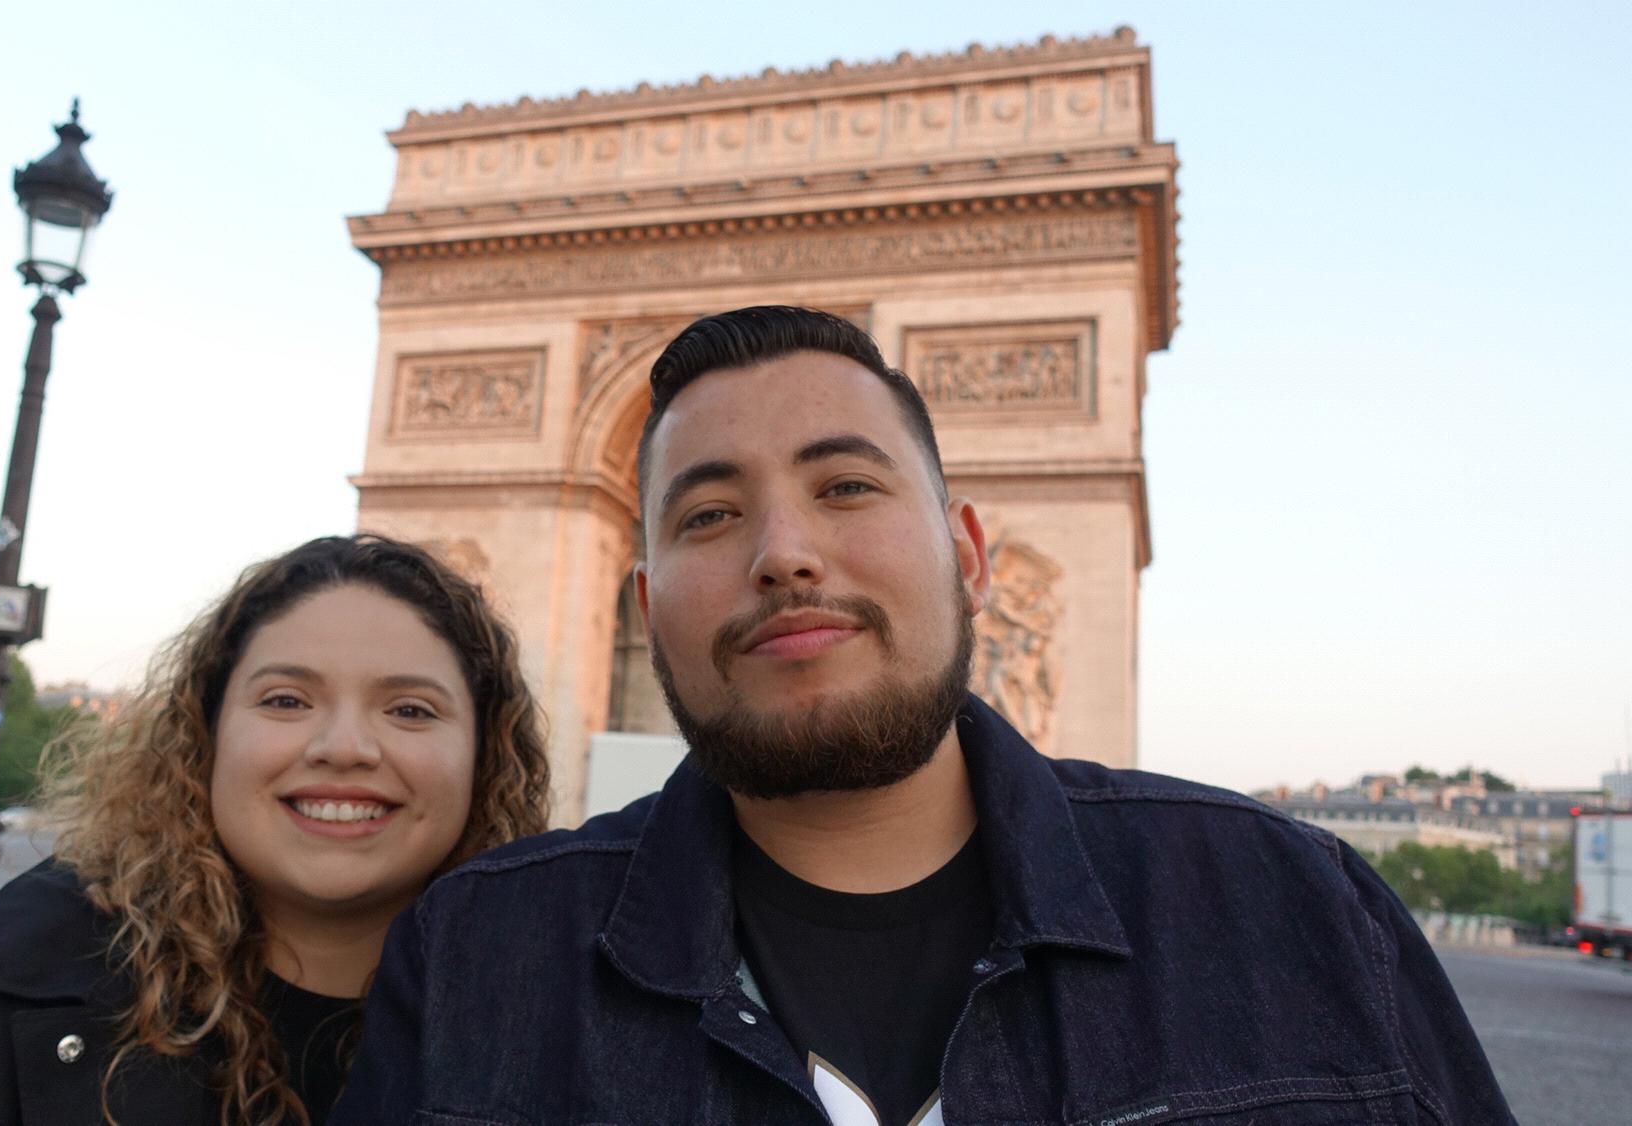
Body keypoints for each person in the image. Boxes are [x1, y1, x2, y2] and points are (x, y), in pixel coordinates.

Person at [334, 307, 1513, 1124]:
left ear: (969, 556)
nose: (784, 553)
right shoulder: (475, 960)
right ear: (647, 602)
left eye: (845, 485)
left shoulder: (1298, 909)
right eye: (707, 515)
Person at [0, 535, 551, 1126]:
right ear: (205, 735)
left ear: (484, 755)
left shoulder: (572, 1017)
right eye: (286, 701)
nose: (345, 746)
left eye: (410, 710)